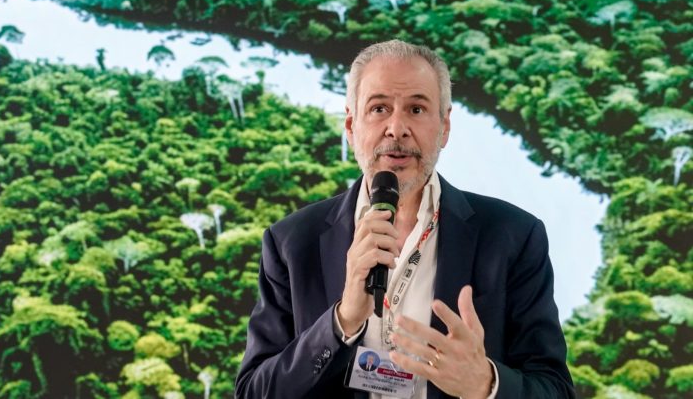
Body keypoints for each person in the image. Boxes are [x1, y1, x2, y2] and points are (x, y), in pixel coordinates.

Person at [235, 40, 575, 398]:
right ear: (351, 127)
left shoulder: (514, 236)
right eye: (379, 108)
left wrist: (485, 384)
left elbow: (554, 388)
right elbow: (253, 391)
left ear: (444, 127)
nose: (396, 128)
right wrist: (342, 321)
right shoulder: (291, 242)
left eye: (416, 108)